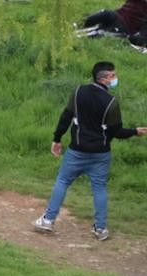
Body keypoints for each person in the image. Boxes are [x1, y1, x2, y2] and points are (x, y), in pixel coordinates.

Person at [34, 61, 145, 240]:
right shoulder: (111, 102)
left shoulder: (78, 92)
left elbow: (66, 117)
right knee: (99, 188)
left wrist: (57, 139)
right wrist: (134, 132)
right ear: (104, 78)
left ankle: (48, 220)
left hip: (76, 151)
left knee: (62, 181)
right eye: (113, 75)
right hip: (101, 154)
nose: (115, 78)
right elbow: (116, 132)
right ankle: (100, 229)